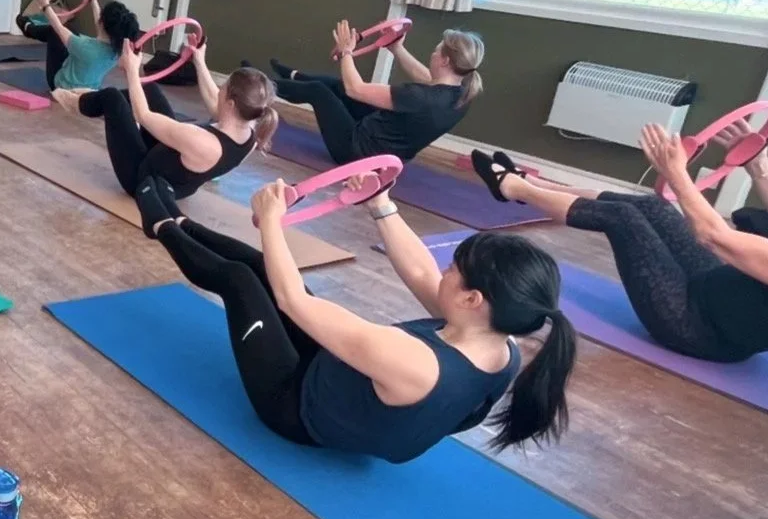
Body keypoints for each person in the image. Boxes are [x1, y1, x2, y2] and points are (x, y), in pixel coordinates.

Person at [134, 172, 576, 463]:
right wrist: (380, 203)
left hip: (295, 407)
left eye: (453, 271)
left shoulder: (415, 361)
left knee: (241, 280)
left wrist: (270, 220)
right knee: (259, 266)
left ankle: (161, 226)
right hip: (348, 388)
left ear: (472, 298)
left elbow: (293, 301)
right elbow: (421, 270)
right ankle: (182, 222)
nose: (442, 273)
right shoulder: (501, 342)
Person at [471, 122, 768, 362]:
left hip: (697, 326)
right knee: (653, 205)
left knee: (623, 220)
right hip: (711, 286)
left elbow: (715, 236)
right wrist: (759, 165)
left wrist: (677, 175)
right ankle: (534, 185)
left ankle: (512, 188)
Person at [62, 39, 276, 199]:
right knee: (150, 90)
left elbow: (143, 116)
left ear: (231, 103)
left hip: (143, 180)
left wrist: (132, 70)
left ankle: (76, 102)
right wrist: (199, 60)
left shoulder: (202, 141)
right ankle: (89, 98)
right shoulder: (249, 130)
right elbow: (215, 99)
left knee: (112, 98)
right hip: (172, 174)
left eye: (224, 88)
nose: (219, 89)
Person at [268, 23, 484, 164]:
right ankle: (293, 76)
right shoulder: (462, 94)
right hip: (388, 153)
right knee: (338, 86)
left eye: (437, 51)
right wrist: (396, 48)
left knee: (320, 92)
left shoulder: (418, 97)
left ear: (445, 60)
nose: (433, 53)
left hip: (356, 152)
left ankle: (262, 86)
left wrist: (346, 51)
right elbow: (430, 79)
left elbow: (357, 88)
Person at [16, 0, 138, 91]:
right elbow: (100, 25)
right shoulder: (116, 52)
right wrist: (93, 1)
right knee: (71, 32)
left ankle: (28, 28)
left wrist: (45, 5)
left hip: (61, 87)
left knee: (55, 32)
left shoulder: (85, 47)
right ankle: (30, 28)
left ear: (103, 24)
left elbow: (58, 27)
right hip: (89, 91)